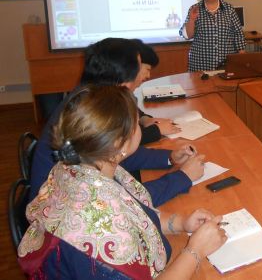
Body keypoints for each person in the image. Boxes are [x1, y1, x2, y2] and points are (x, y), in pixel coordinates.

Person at [18, 85, 227, 279]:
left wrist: (179, 223)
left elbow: (134, 214)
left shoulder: (80, 167)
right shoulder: (100, 230)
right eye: (137, 124)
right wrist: (194, 251)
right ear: (120, 144)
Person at [29, 38, 204, 207]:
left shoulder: (91, 102)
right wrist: (182, 177)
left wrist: (169, 157)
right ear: (124, 84)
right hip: (63, 206)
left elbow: (121, 156)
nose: (141, 76)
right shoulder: (95, 116)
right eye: (138, 68)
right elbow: (124, 204)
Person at [179, 0, 245, 71]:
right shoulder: (195, 9)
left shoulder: (229, 9)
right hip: (200, 65)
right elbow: (187, 36)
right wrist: (192, 20)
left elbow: (238, 34)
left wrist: (242, 58)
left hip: (226, 64)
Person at [131, 39, 181, 144]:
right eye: (147, 69)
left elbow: (133, 110)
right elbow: (123, 142)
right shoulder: (110, 100)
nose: (148, 76)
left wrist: (145, 119)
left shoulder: (125, 93)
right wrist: (157, 130)